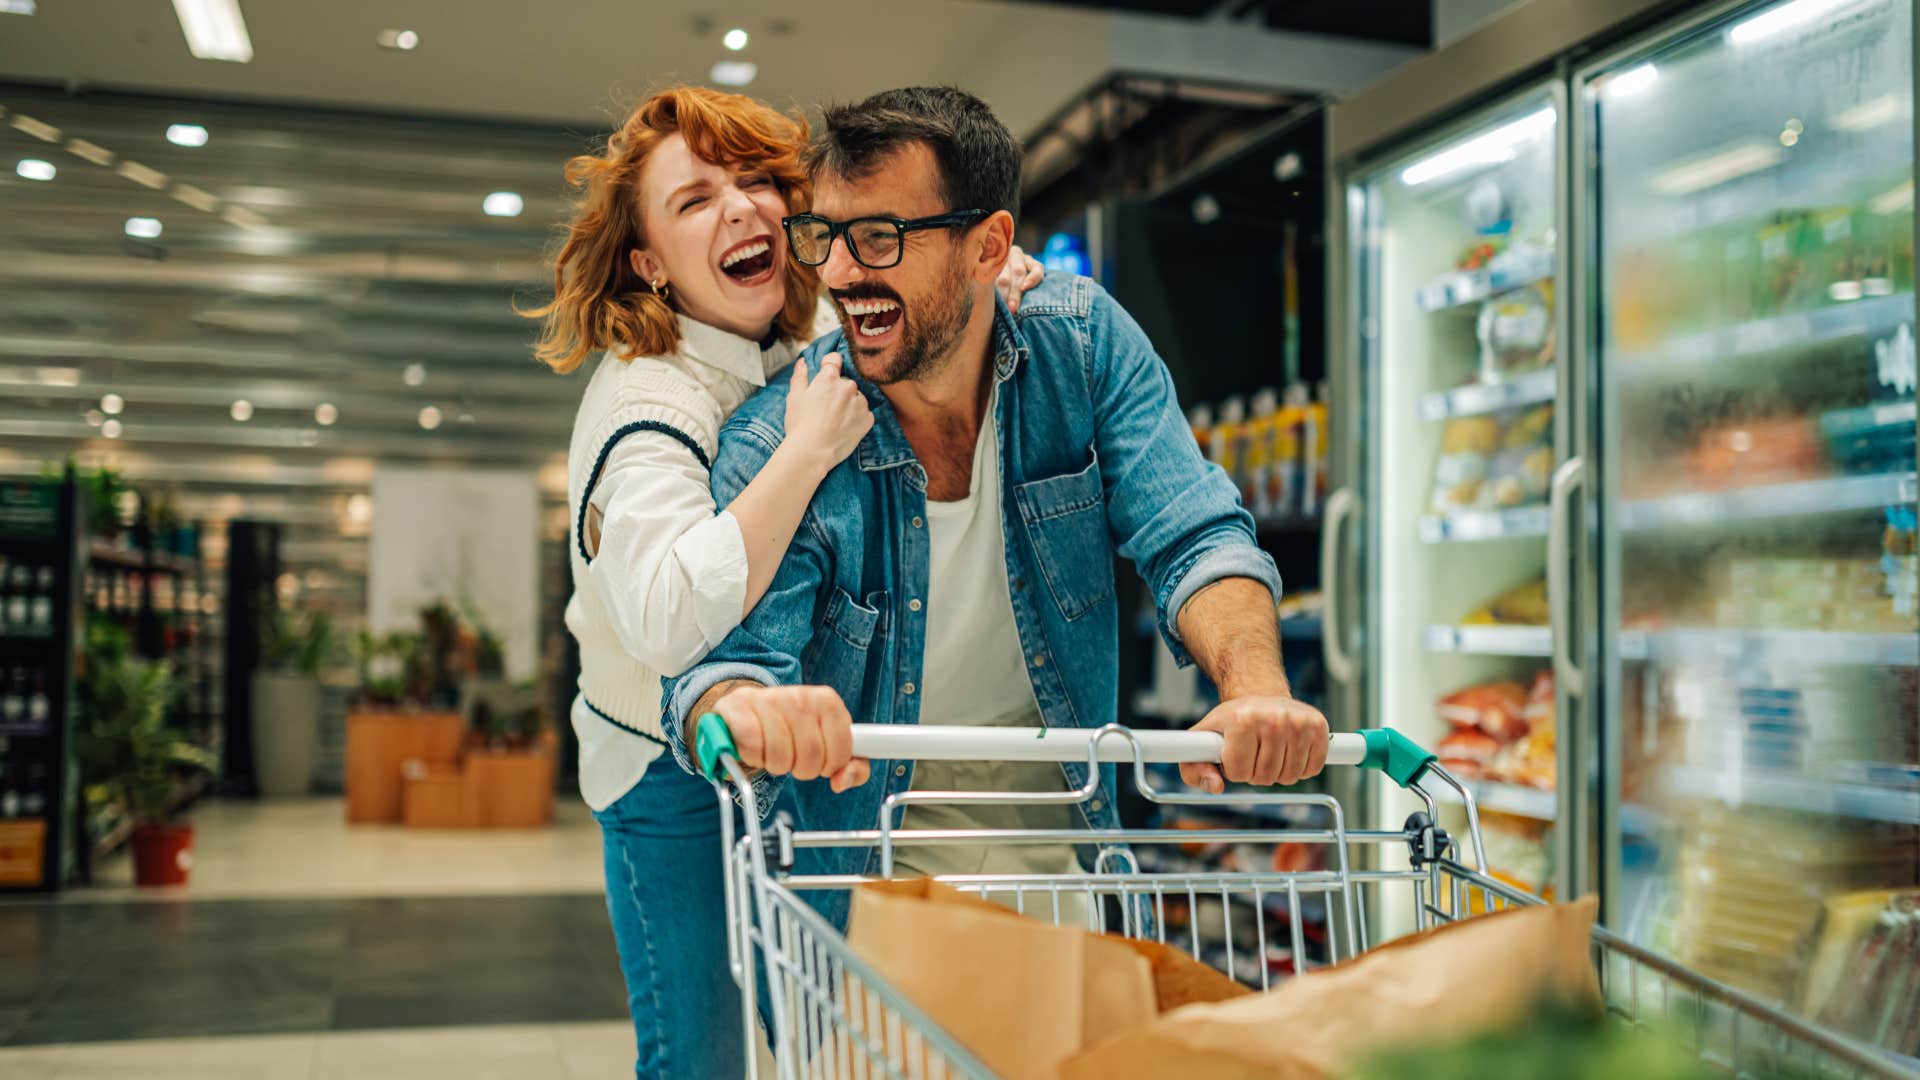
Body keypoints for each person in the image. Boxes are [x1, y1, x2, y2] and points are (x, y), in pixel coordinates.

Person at [663, 86, 1330, 936]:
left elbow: (1191, 532)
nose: (837, 272)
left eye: (879, 237)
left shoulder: (1081, 350)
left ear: (989, 247)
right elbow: (724, 669)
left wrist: (1255, 688)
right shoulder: (779, 444)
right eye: (824, 237)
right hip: (870, 881)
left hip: (1071, 861)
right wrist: (748, 707)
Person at [526, 86, 1041, 1078]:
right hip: (664, 773)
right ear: (647, 263)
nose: (743, 209)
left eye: (758, 180)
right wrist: (800, 456)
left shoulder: (787, 339)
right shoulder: (649, 400)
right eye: (694, 200)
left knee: (830, 1037)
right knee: (701, 1057)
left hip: (790, 741)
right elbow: (672, 618)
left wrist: (980, 274)